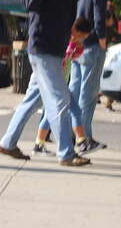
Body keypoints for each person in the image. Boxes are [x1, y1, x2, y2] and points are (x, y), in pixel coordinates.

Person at [0, 0, 101, 167]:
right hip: (43, 51)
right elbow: (30, 4)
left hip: (53, 53)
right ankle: (66, 153)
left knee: (33, 100)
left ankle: (8, 143)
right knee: (60, 100)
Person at [32, 17, 98, 155]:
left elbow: (74, 56)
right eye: (81, 37)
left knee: (51, 113)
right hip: (55, 81)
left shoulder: (74, 43)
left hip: (60, 81)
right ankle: (81, 140)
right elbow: (65, 54)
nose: (82, 40)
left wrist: (78, 47)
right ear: (76, 32)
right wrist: (74, 46)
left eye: (84, 38)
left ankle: (39, 143)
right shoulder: (65, 39)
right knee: (75, 109)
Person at [70, 0, 110, 151]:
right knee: (88, 94)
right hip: (92, 45)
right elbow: (99, 20)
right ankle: (85, 138)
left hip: (77, 46)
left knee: (74, 91)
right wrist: (103, 42)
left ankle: (72, 134)